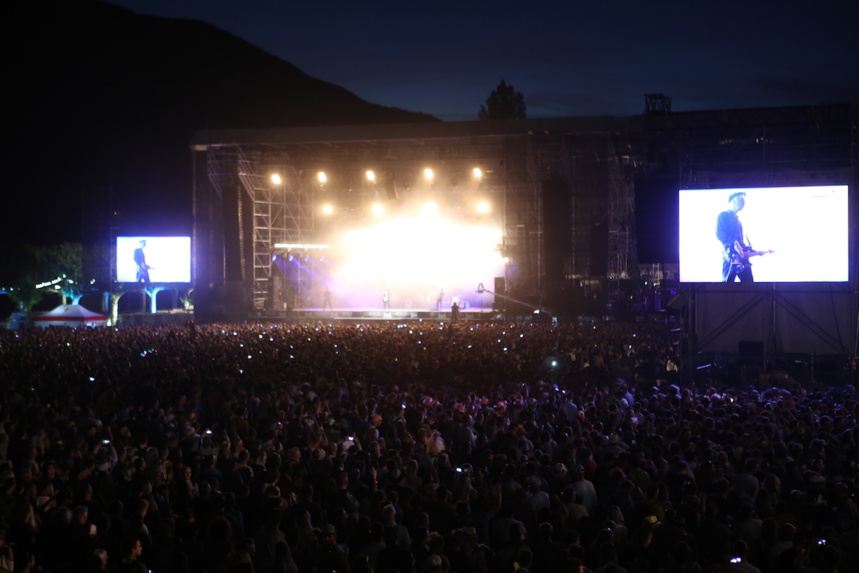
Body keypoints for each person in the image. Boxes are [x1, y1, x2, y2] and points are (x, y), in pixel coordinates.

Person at [715, 192, 770, 282]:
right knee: (727, 284)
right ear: (733, 201)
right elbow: (719, 233)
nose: (742, 201)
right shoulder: (723, 215)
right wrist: (733, 243)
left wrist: (755, 252)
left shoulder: (738, 222)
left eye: (743, 199)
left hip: (742, 257)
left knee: (749, 283)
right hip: (731, 257)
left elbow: (741, 242)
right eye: (740, 199)